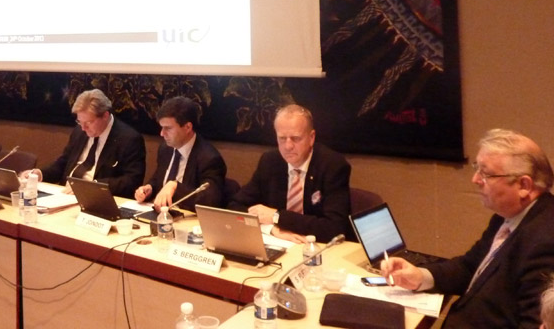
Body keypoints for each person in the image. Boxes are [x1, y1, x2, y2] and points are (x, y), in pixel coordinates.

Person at [381, 129, 554, 328]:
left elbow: (534, 324)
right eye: (477, 169)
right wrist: (420, 277)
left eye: (486, 173)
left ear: (524, 185)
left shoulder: (545, 241)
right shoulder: (508, 216)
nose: (475, 180)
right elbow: (469, 267)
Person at [228, 104, 352, 243]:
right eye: (282, 138)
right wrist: (271, 229)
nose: (288, 146)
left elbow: (335, 228)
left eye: (296, 138)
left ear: (311, 137)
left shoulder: (332, 165)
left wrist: (277, 217)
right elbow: (235, 206)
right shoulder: (270, 161)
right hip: (280, 242)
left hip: (316, 246)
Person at [25, 89, 145, 199]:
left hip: (97, 199)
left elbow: (132, 181)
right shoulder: (79, 131)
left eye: (88, 122)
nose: (83, 128)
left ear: (105, 115)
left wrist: (92, 187)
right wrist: (40, 174)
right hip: (65, 196)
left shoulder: (129, 139)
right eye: (79, 121)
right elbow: (63, 163)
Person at [134, 96, 226, 211]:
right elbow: (158, 179)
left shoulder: (209, 158)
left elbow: (210, 201)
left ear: (187, 127)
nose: (162, 134)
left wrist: (176, 187)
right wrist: (149, 188)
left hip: (188, 218)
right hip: (161, 214)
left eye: (168, 128)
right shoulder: (165, 149)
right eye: (162, 128)